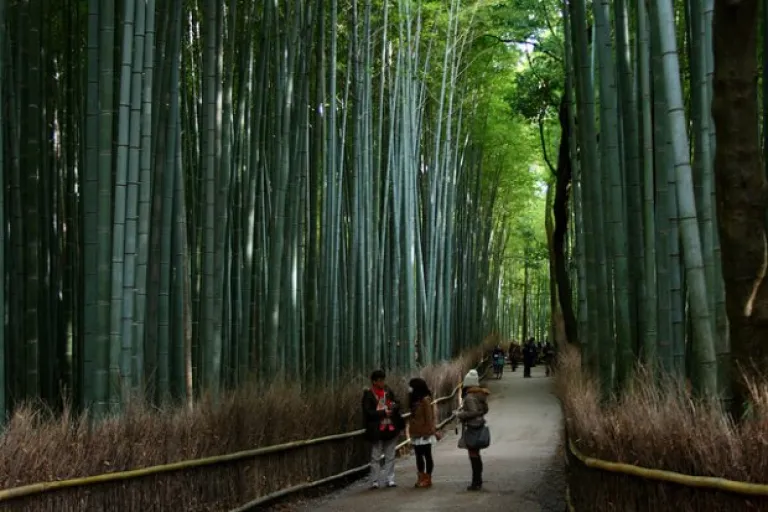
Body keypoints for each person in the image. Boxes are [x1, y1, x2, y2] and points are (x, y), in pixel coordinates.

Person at [362, 369, 405, 489]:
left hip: (390, 427)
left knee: (390, 455)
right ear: (374, 382)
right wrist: (382, 412)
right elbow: (368, 412)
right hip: (377, 429)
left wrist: (391, 407)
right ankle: (374, 480)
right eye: (380, 380)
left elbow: (397, 403)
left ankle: (390, 479)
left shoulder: (387, 391)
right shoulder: (369, 394)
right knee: (375, 456)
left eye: (383, 380)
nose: (382, 383)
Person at [457, 369, 490, 491]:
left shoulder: (470, 397)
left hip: (472, 426)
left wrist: (460, 415)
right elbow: (484, 410)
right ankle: (478, 480)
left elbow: (472, 412)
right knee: (476, 454)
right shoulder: (480, 395)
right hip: (480, 425)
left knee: (473, 454)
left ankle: (476, 482)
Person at [407, 377, 440, 488]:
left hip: (425, 433)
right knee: (418, 456)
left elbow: (429, 418)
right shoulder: (414, 401)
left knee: (427, 455)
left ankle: (428, 477)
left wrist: (429, 432)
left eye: (411, 386)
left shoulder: (425, 400)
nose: (409, 389)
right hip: (416, 433)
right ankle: (421, 476)